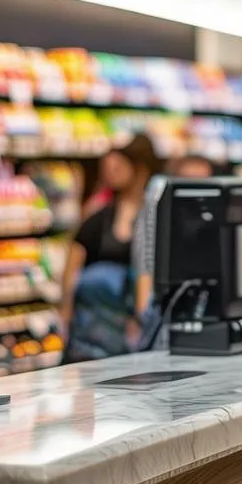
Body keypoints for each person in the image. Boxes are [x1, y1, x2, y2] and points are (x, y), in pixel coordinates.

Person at [60, 134, 161, 361]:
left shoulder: (155, 214)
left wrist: (141, 315)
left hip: (132, 326)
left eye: (117, 166)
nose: (110, 173)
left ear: (139, 168)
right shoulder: (99, 214)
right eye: (107, 166)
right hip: (94, 329)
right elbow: (72, 263)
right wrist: (66, 312)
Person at [132, 154, 217, 325]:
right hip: (164, 309)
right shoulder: (160, 213)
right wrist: (142, 315)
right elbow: (145, 263)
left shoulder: (214, 219)